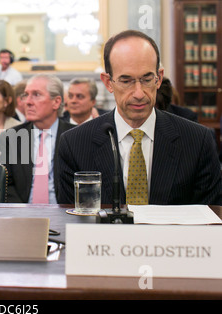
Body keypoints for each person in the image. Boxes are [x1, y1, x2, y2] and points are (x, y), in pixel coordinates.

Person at [57, 30, 221, 206]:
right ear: (108, 82)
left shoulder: (197, 141)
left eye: (146, 79)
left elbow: (209, 219)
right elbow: (73, 221)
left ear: (159, 79)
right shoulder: (75, 144)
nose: (138, 93)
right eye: (126, 81)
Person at [0, 74, 74, 203]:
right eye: (25, 95)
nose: (27, 102)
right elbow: (6, 185)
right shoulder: (12, 137)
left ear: (56, 102)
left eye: (36, 95)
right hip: (22, 216)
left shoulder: (76, 136)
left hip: (65, 214)